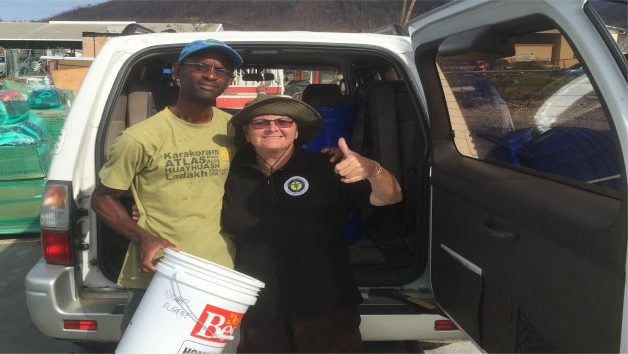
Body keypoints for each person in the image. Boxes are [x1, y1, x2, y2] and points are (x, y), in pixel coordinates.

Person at [222, 95, 403, 353]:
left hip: (326, 304)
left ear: (296, 131)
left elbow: (390, 196)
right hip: (259, 309)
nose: (273, 128)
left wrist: (373, 170)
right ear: (247, 132)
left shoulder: (328, 167)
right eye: (260, 122)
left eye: (283, 121)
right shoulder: (230, 171)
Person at [90, 39, 243, 334]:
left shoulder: (234, 129)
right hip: (161, 269)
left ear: (228, 81)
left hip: (221, 270)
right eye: (201, 66)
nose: (211, 74)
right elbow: (102, 199)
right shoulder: (140, 137)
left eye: (222, 70)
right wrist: (142, 236)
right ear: (177, 73)